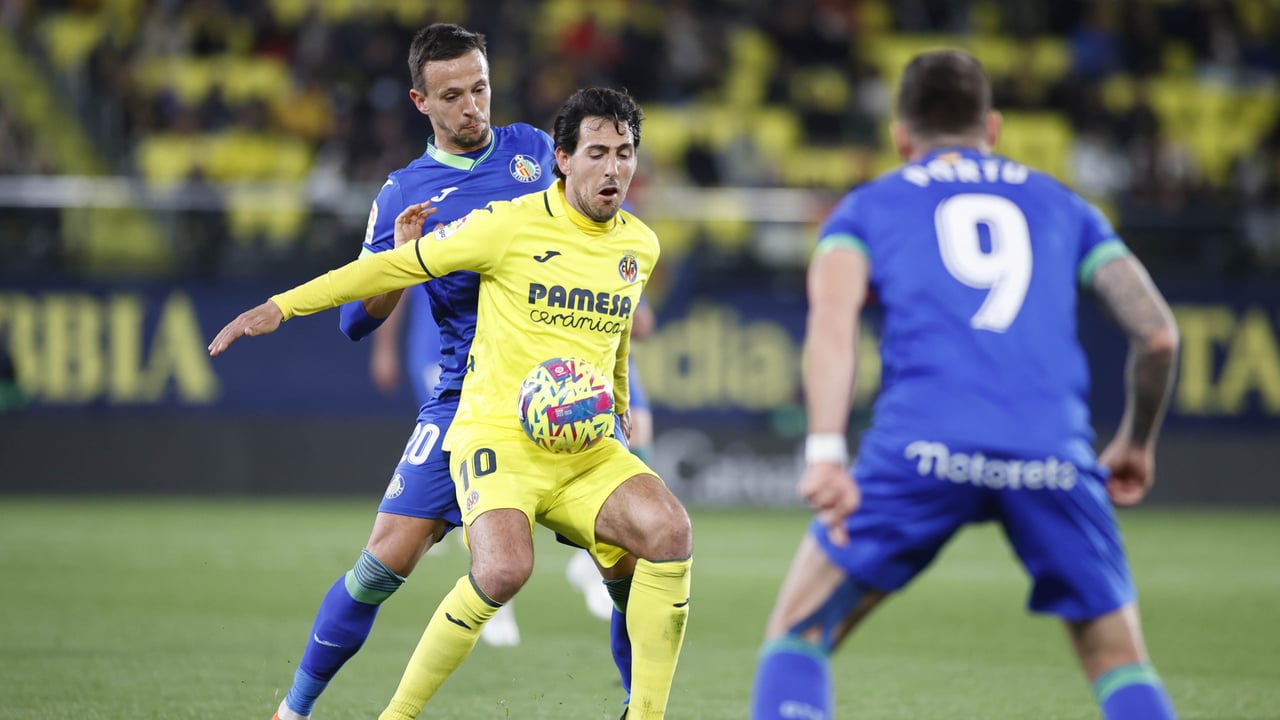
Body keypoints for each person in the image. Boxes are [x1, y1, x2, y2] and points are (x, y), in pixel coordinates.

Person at [210, 86, 692, 720]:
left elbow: (618, 333)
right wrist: (283, 306)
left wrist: (621, 396)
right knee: (498, 570)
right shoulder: (506, 224)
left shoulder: (640, 245)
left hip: (585, 445)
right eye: (597, 153)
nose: (613, 168)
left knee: (667, 533)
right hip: (496, 432)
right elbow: (390, 269)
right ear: (563, 159)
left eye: (624, 154)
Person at [750, 49, 1180, 720]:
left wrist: (827, 451)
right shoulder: (1066, 206)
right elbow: (1158, 336)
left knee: (799, 630)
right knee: (1120, 661)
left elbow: (832, 323)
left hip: (923, 445)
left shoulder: (865, 210)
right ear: (994, 128)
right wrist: (1135, 442)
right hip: (1051, 451)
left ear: (900, 136)